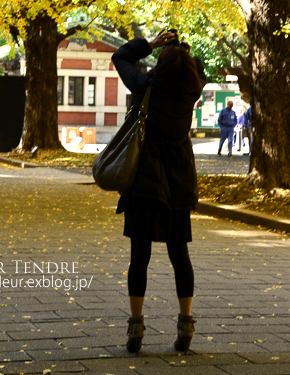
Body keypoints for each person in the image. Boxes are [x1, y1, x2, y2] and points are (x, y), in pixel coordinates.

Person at [111, 29, 206, 355]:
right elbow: (198, 68)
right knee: (180, 256)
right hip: (178, 183)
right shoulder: (192, 90)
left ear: (160, 65)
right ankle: (185, 324)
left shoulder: (144, 87)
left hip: (144, 183)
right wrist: (183, 50)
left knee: (140, 257)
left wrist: (151, 44)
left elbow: (120, 57)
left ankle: (136, 328)